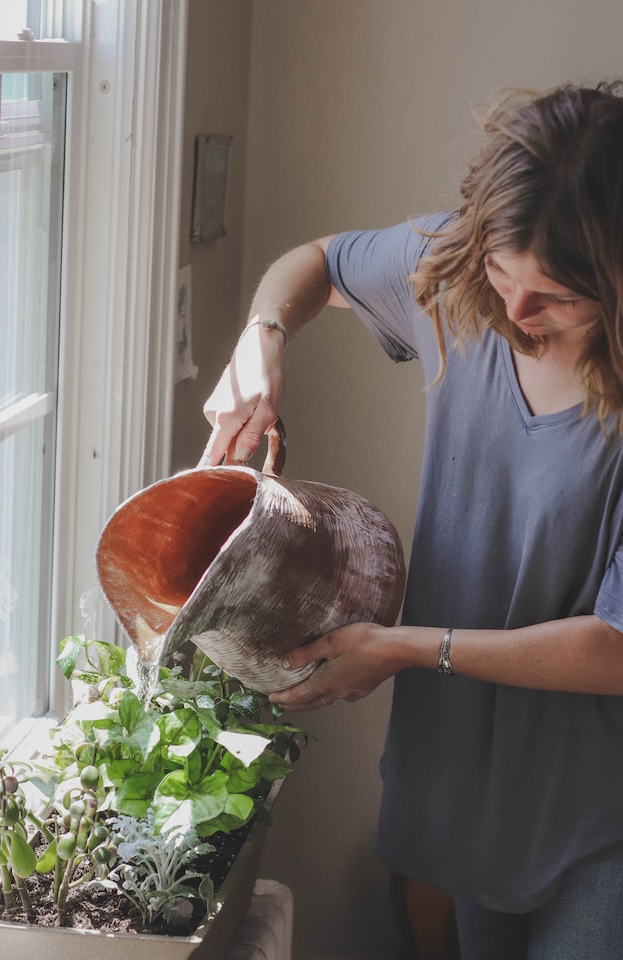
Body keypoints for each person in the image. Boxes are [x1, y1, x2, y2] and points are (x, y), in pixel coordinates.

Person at [197, 81, 623, 960]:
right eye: (505, 276)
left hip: (597, 810)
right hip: (465, 789)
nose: (516, 312)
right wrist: (264, 335)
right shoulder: (456, 270)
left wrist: (400, 648)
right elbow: (316, 262)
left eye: (559, 298)